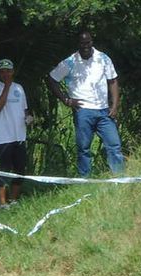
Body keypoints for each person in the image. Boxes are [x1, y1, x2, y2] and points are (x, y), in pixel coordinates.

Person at [46, 31, 125, 176]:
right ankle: (85, 179)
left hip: (104, 110)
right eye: (82, 43)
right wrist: (66, 100)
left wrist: (114, 106)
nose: (86, 46)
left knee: (114, 145)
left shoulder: (103, 58)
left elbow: (113, 81)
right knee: (84, 148)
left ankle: (119, 178)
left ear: (92, 42)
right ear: (78, 44)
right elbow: (51, 79)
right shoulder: (70, 62)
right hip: (83, 111)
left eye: (88, 42)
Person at [0, 58, 32, 208]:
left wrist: (28, 117)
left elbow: (24, 109)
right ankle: (2, 202)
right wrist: (6, 87)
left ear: (13, 71)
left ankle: (13, 199)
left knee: (20, 169)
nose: (5, 73)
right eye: (2, 71)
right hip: (3, 136)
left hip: (19, 135)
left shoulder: (19, 88)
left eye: (8, 71)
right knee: (5, 169)